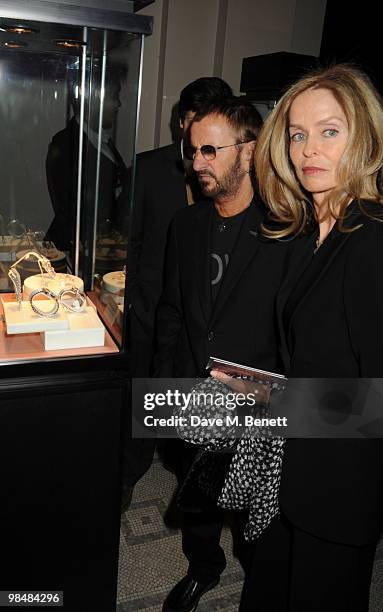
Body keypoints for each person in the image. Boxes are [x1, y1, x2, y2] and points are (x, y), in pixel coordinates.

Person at [229, 63, 383, 611]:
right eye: (297, 134)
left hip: (338, 491)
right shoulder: (306, 231)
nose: (308, 149)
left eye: (330, 131)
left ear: (364, 137)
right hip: (288, 475)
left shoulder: (370, 242)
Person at [154, 97, 288, 612]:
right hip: (194, 394)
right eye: (194, 151)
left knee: (257, 522)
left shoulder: (286, 231)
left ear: (250, 151)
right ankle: (203, 567)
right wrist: (169, 386)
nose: (198, 162)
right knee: (200, 503)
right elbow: (170, 313)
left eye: (211, 150)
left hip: (259, 409)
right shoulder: (184, 227)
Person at [122, 77, 233, 509]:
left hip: (206, 313)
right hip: (150, 305)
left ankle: (179, 457)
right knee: (142, 389)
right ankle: (130, 470)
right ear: (180, 122)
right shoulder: (148, 167)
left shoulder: (234, 173)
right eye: (190, 123)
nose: (196, 137)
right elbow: (125, 239)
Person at [45, 68, 130, 253]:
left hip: (99, 248)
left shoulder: (99, 139)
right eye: (114, 97)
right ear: (95, 99)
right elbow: (70, 208)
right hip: (73, 250)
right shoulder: (65, 143)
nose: (118, 104)